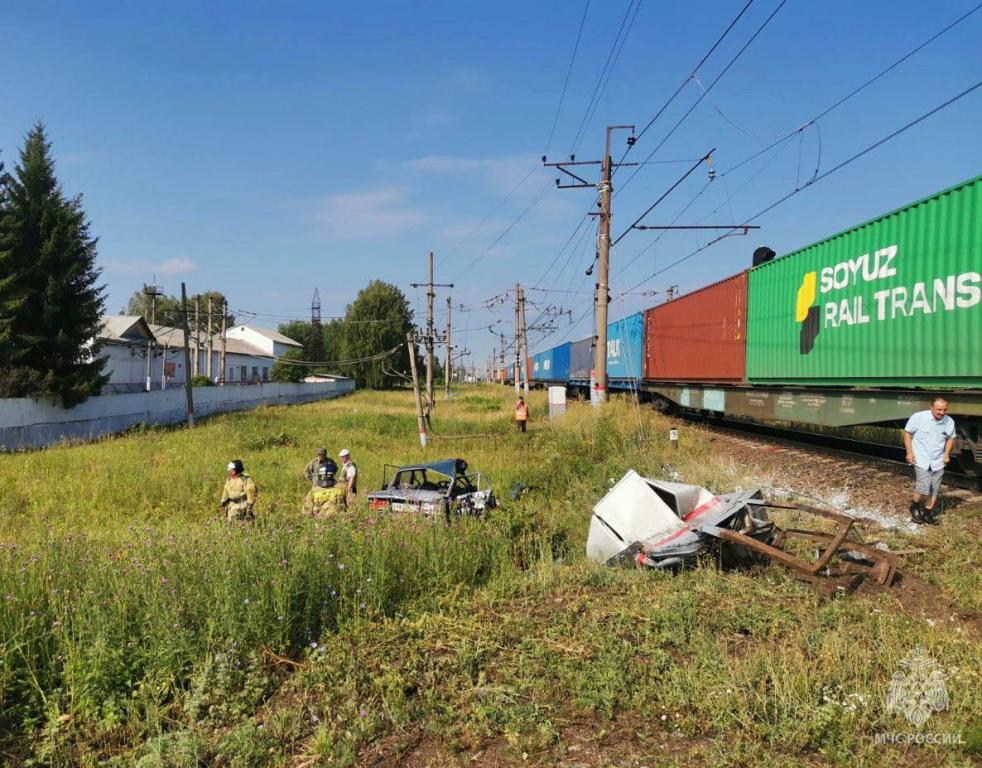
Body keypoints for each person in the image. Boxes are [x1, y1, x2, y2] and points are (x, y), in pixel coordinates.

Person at [904, 396, 955, 524]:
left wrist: (946, 454)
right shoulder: (918, 417)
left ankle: (927, 513)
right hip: (921, 458)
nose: (942, 413)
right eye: (939, 410)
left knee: (934, 488)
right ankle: (914, 507)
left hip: (938, 460)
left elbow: (951, 438)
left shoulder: (949, 421)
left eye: (944, 410)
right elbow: (907, 433)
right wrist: (909, 452)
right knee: (924, 486)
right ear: (931, 407)